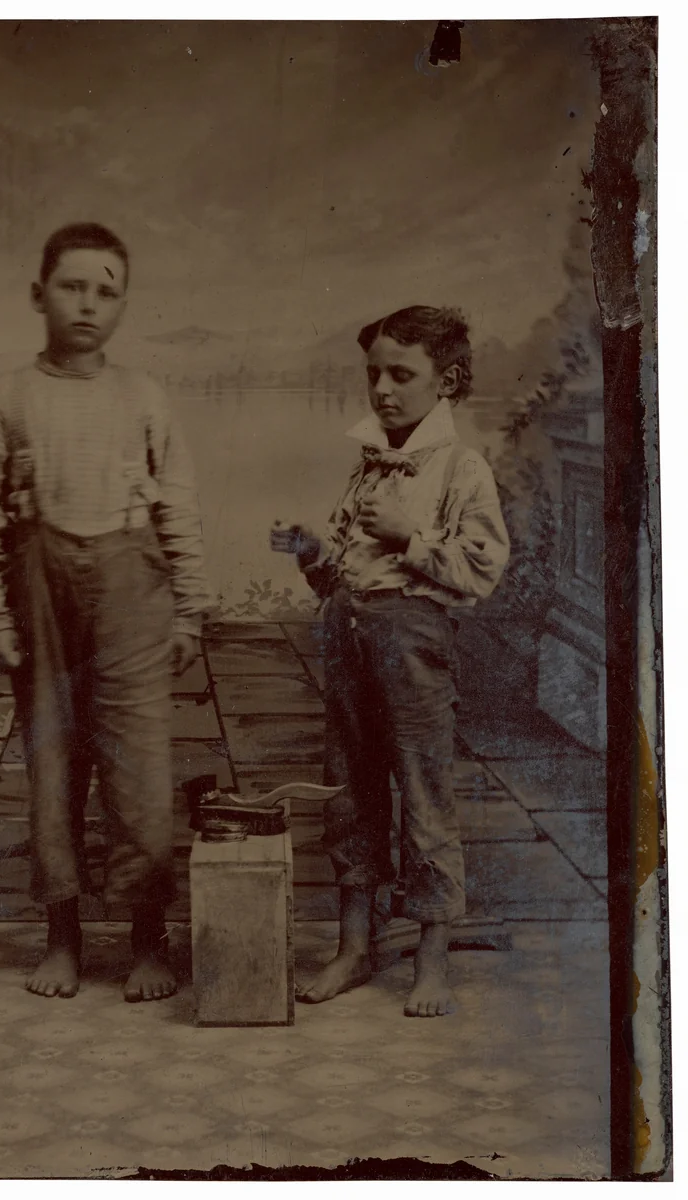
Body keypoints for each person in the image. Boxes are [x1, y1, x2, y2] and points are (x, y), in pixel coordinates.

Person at [0, 223, 211, 1002]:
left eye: (106, 292)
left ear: (123, 305)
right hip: (40, 598)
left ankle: (148, 940)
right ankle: (62, 939)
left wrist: (191, 612)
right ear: (39, 295)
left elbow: (179, 510)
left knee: (139, 772)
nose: (88, 305)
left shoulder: (144, 397)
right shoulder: (7, 397)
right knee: (53, 767)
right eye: (72, 287)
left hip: (132, 593)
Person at [271, 305, 509, 1017]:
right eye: (373, 372)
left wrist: (411, 538)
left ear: (448, 381)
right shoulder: (369, 464)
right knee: (349, 792)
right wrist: (315, 554)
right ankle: (352, 946)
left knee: (424, 796)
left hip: (413, 648)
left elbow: (481, 568)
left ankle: (431, 959)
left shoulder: (461, 468)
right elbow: (343, 568)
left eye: (401, 374)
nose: (381, 389)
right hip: (349, 639)